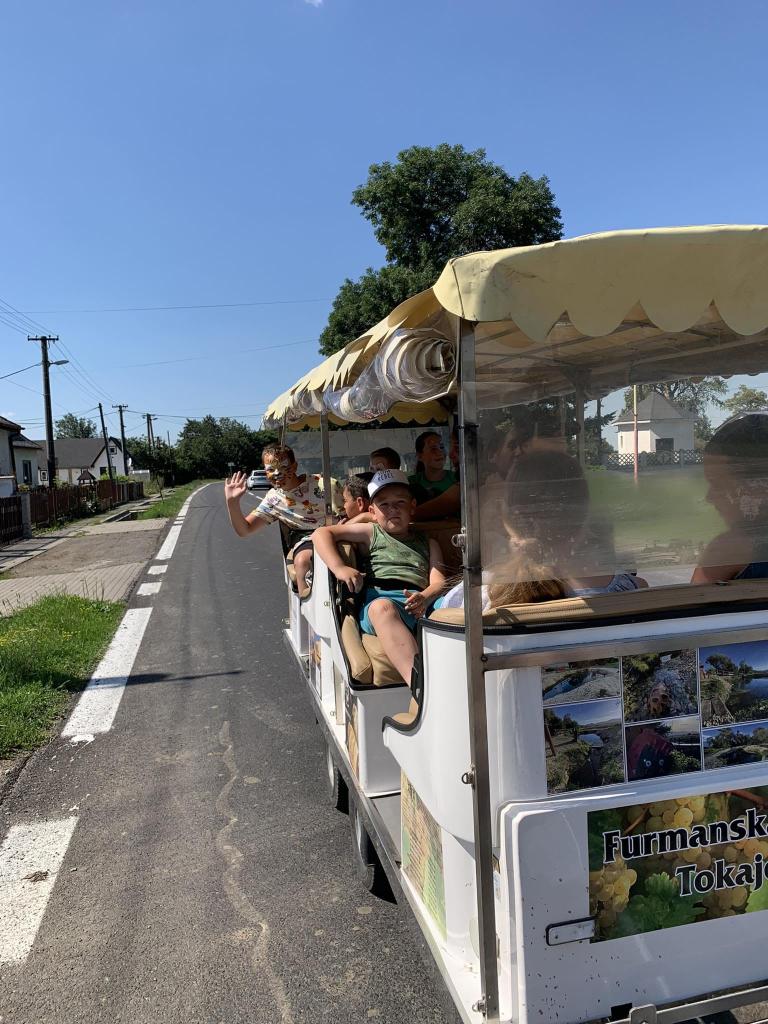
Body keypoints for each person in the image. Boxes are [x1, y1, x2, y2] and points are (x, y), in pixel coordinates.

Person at [434, 451, 645, 610]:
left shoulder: (478, 595)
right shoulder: (633, 590)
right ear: (584, 512)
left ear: (509, 517)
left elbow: (439, 626)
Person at [311, 469, 447, 684]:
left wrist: (425, 597)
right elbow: (321, 533)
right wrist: (340, 568)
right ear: (373, 511)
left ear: (412, 507)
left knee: (457, 603)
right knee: (382, 608)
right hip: (382, 600)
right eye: (384, 504)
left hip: (422, 600)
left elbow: (438, 582)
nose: (393, 509)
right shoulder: (372, 533)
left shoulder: (429, 543)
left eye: (400, 502)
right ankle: (420, 687)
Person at [224, 443, 343, 596]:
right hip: (308, 540)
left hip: (339, 533)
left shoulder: (325, 485)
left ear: (294, 466)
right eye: (270, 469)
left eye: (282, 467)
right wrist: (232, 503)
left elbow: (348, 514)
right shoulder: (274, 499)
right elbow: (244, 529)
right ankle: (307, 603)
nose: (276, 473)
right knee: (302, 562)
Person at [692, 411, 768, 584]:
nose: (709, 497)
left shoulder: (731, 548)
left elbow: (693, 597)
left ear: (758, 488)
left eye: (718, 485)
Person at [409, 430, 460, 521]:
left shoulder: (457, 478)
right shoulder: (410, 482)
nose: (440, 452)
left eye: (442, 447)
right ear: (420, 456)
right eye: (433, 448)